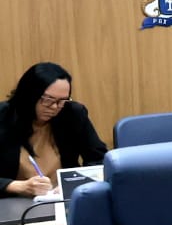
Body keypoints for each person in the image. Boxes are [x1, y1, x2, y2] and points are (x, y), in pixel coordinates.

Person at [0, 62, 106, 196]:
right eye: (48, 100)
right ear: (29, 95)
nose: (55, 107)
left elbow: (99, 159)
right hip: (13, 203)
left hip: (64, 197)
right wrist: (15, 186)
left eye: (62, 100)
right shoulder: (3, 117)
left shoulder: (72, 114)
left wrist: (73, 184)